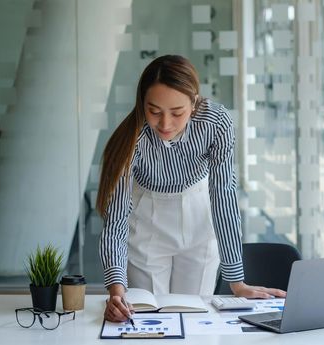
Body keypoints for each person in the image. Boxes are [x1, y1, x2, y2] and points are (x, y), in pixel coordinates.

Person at [97, 55, 286, 322]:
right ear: (142, 104)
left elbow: (223, 196)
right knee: (149, 319)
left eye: (177, 113)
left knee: (196, 317)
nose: (165, 124)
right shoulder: (132, 139)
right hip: (148, 221)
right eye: (154, 111)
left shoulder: (216, 123)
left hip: (200, 216)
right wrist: (116, 290)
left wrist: (237, 282)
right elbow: (116, 221)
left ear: (194, 102)